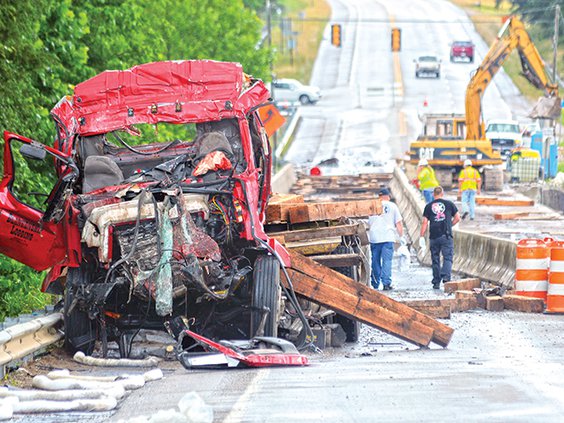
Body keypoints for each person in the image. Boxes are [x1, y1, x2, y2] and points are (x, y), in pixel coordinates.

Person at [419, 186, 461, 289]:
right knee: (448, 257)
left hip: (433, 236)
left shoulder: (428, 206)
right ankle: (446, 276)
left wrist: (421, 236)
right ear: (442, 193)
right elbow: (457, 218)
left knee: (435, 259)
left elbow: (424, 222)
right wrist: (449, 225)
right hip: (445, 235)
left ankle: (436, 282)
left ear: (433, 194)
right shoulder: (449, 204)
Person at [368, 188, 404, 290]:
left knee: (375, 261)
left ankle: (375, 284)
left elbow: (368, 222)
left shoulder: (372, 206)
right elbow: (398, 223)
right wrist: (401, 237)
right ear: (388, 196)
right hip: (388, 237)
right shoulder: (392, 206)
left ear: (379, 196)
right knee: (387, 261)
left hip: (374, 237)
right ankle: (386, 283)